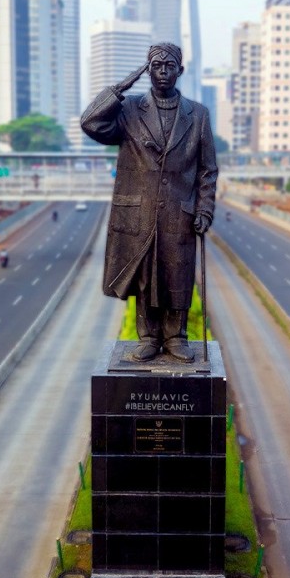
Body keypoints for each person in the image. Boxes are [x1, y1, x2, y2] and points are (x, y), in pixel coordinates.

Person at [80, 42, 218, 363]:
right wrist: (120, 88)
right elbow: (91, 123)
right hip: (140, 214)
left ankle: (176, 336)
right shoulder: (129, 110)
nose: (163, 72)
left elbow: (208, 170)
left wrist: (205, 209)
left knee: (177, 272)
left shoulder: (197, 116)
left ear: (180, 71)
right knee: (146, 275)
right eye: (156, 66)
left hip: (179, 213)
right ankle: (149, 336)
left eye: (170, 66)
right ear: (147, 71)